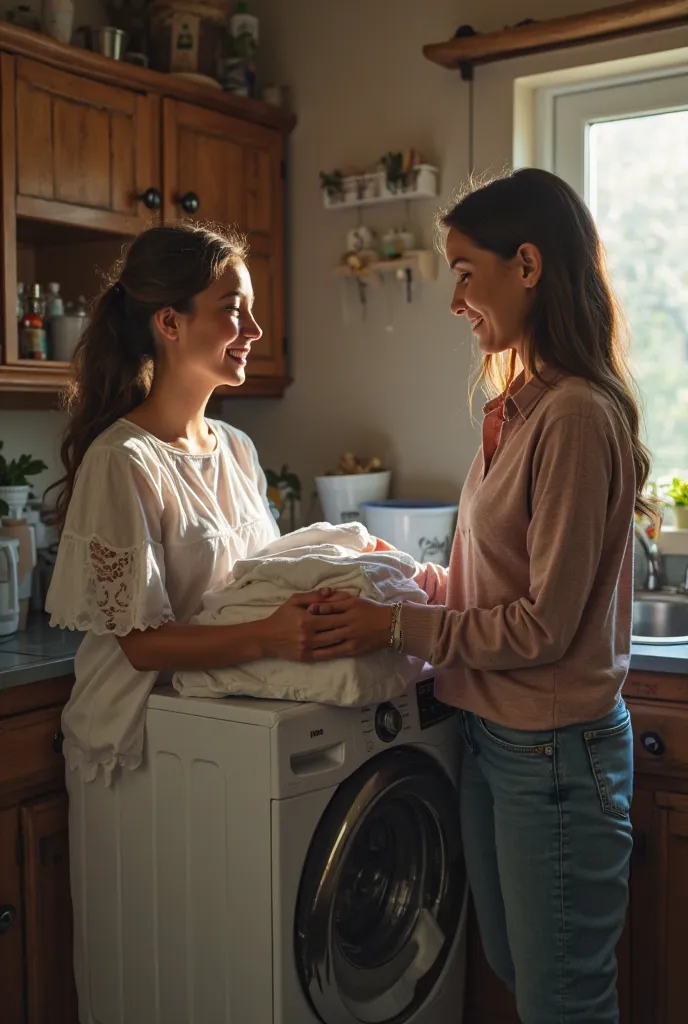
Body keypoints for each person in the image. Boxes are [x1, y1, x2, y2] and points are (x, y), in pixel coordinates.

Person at [307, 168, 650, 1023]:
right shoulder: (517, 408)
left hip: (554, 758)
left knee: (563, 999)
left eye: (466, 271)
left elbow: (541, 626)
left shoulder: (573, 417)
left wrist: (395, 619)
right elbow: (489, 583)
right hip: (497, 740)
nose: (457, 300)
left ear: (526, 265)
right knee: (514, 964)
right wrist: (392, 572)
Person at [45, 223, 338, 783]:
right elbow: (141, 646)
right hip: (142, 739)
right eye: (233, 309)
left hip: (228, 720)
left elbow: (258, 584)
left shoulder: (237, 448)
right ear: (170, 322)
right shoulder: (123, 459)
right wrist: (271, 634)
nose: (253, 329)